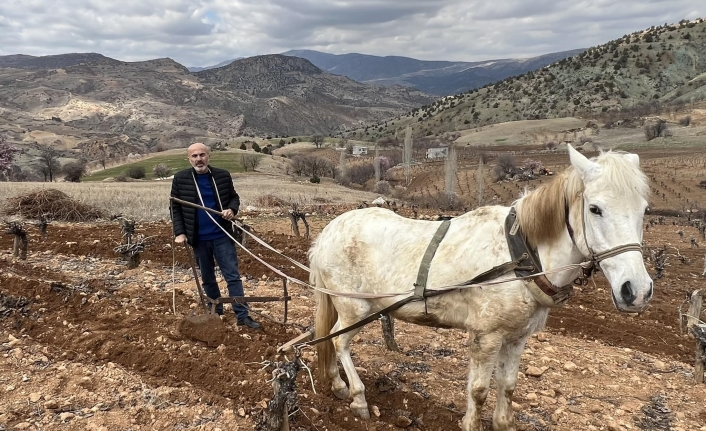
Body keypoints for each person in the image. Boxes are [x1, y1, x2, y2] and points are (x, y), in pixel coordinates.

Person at [170, 142, 261, 329]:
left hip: (222, 235)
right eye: (194, 156)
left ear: (208, 156)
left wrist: (231, 209)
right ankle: (215, 312)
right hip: (198, 238)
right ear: (189, 159)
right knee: (208, 278)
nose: (199, 159)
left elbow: (234, 198)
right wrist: (180, 232)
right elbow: (175, 207)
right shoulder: (181, 179)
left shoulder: (222, 176)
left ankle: (242, 316)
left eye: (202, 155)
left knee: (232, 276)